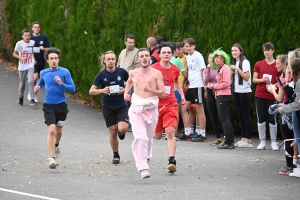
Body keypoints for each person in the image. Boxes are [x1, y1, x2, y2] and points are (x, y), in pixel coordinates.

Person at [124, 48, 165, 179]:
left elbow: (163, 93)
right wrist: (126, 93)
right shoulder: (133, 73)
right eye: (141, 56)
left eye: (147, 55)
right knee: (140, 138)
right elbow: (130, 82)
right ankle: (143, 168)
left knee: (148, 138)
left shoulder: (156, 73)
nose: (144, 58)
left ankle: (145, 157)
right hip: (137, 109)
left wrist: (150, 89)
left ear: (150, 58)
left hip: (151, 109)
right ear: (138, 59)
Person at [34, 47, 76, 169]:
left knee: (58, 130)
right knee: (51, 130)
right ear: (47, 60)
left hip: (62, 106)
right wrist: (37, 86)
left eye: (56, 58)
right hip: (49, 105)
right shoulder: (44, 73)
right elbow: (41, 82)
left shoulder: (64, 72)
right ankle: (52, 158)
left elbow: (73, 89)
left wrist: (61, 83)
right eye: (51, 58)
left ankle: (56, 143)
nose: (54, 61)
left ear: (58, 59)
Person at [89, 50, 129, 165]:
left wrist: (124, 90)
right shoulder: (101, 75)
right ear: (104, 61)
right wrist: (102, 90)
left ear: (115, 60)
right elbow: (91, 91)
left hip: (121, 105)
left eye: (112, 59)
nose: (111, 61)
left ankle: (122, 133)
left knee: (122, 129)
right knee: (112, 131)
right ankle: (116, 154)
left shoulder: (122, 72)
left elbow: (131, 83)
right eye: (108, 59)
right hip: (108, 106)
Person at [151, 42, 186, 173]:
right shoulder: (153, 69)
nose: (166, 54)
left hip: (171, 103)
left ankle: (172, 160)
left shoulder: (175, 68)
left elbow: (176, 81)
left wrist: (181, 95)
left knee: (170, 132)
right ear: (159, 55)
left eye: (169, 53)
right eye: (164, 52)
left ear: (172, 54)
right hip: (156, 105)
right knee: (157, 135)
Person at [267, 54, 295, 175]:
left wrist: (272, 89)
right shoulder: (288, 76)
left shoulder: (284, 78)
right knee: (294, 138)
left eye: (278, 63)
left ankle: (290, 166)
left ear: (285, 64)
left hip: (287, 110)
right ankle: (295, 164)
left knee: (288, 138)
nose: (276, 65)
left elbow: (279, 98)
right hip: (292, 108)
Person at [253, 42, 281, 150]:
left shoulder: (277, 64)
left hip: (272, 95)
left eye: (268, 50)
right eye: (265, 50)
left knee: (272, 117)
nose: (266, 52)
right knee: (261, 117)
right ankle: (262, 141)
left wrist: (274, 85)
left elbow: (281, 80)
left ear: (272, 51)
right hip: (260, 94)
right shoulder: (259, 64)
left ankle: (273, 142)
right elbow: (254, 79)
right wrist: (262, 80)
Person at [207, 49, 235, 149]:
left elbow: (227, 83)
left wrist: (214, 86)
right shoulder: (221, 68)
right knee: (223, 118)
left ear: (223, 58)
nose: (216, 58)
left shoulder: (225, 68)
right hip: (220, 95)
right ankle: (228, 141)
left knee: (224, 118)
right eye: (215, 57)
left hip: (224, 95)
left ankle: (229, 142)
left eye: (218, 56)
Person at [180, 38, 207, 142]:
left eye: (189, 46)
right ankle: (188, 132)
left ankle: (202, 134)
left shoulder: (198, 56)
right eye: (186, 46)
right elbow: (188, 73)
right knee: (183, 108)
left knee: (199, 110)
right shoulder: (188, 57)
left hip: (198, 85)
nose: (188, 48)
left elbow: (203, 70)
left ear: (194, 46)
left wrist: (204, 87)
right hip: (191, 86)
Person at [278, 58, 300, 178]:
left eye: (289, 67)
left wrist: (284, 109)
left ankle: (294, 166)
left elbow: (296, 101)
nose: (288, 69)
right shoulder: (296, 81)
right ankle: (296, 165)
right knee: (297, 139)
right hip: (295, 111)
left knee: (297, 139)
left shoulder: (298, 82)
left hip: (295, 111)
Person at [230, 44, 253, 148]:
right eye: (232, 51)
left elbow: (247, 77)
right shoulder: (235, 62)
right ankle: (244, 138)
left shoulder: (245, 62)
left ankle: (248, 140)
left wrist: (237, 69)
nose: (234, 52)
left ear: (240, 51)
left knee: (246, 116)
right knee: (241, 116)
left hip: (245, 92)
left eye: (236, 50)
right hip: (237, 91)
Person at [117, 34, 139, 132]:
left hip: (132, 82)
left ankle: (132, 123)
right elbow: (118, 65)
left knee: (131, 103)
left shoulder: (137, 52)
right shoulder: (122, 52)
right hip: (121, 82)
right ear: (125, 42)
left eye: (133, 42)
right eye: (129, 42)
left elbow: (138, 67)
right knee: (122, 103)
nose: (131, 44)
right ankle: (124, 121)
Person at [13, 28, 36, 107]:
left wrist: (34, 59)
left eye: (29, 35)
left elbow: (32, 51)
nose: (27, 37)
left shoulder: (32, 42)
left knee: (30, 81)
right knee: (22, 83)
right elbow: (14, 54)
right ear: (22, 36)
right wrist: (21, 58)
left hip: (30, 65)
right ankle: (21, 97)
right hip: (22, 66)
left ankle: (32, 99)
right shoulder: (19, 43)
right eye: (25, 35)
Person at [203, 52, 222, 145]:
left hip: (219, 92)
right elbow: (205, 81)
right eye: (210, 58)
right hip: (210, 92)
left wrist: (213, 85)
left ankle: (226, 136)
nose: (212, 60)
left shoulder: (220, 68)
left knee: (221, 115)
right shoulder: (208, 69)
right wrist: (207, 69)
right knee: (213, 115)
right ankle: (218, 137)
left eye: (213, 58)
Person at [31, 21, 51, 102]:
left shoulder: (44, 37)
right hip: (32, 61)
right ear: (32, 28)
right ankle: (32, 93)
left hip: (41, 61)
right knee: (34, 78)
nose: (37, 28)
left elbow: (49, 48)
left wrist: (44, 49)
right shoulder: (30, 38)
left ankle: (34, 93)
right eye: (35, 27)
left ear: (40, 28)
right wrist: (32, 59)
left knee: (40, 79)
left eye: (38, 27)